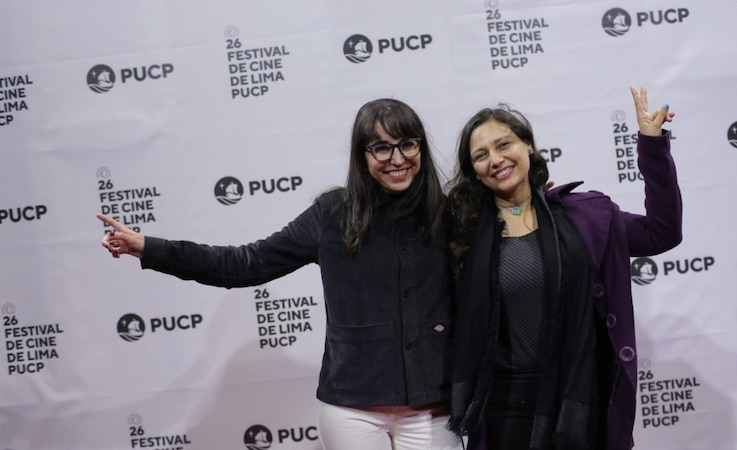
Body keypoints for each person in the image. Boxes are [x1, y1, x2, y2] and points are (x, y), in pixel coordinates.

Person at [97, 98, 463, 450]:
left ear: (421, 149)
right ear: (362, 155)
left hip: (432, 408)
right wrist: (150, 247)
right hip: (353, 410)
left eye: (407, 145)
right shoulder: (332, 214)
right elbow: (245, 263)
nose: (397, 159)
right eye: (381, 148)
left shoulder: (448, 216)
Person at [445, 87, 682, 449]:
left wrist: (652, 146)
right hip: (503, 409)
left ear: (527, 145)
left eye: (503, 144)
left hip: (576, 400)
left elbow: (661, 232)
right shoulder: (462, 236)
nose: (495, 159)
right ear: (475, 171)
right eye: (481, 155)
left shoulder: (585, 216)